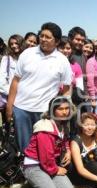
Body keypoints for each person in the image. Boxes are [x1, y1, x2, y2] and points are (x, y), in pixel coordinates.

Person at [6, 22, 72, 152]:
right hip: (21, 109)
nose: (43, 39)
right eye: (41, 36)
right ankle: (24, 169)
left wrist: (63, 110)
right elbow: (15, 81)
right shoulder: (27, 54)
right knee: (23, 146)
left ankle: (43, 170)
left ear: (57, 41)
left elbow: (66, 88)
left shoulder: (62, 60)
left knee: (44, 147)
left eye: (48, 37)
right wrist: (10, 106)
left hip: (45, 112)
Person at [18, 96, 74, 188]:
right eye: (60, 109)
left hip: (49, 165)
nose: (65, 112)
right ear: (52, 110)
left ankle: (39, 186)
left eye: (67, 108)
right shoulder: (45, 128)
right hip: (34, 167)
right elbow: (46, 157)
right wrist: (55, 170)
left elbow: (64, 139)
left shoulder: (62, 124)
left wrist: (67, 150)